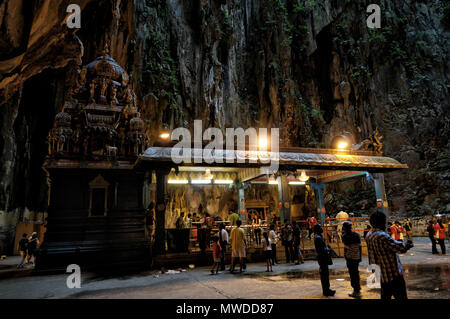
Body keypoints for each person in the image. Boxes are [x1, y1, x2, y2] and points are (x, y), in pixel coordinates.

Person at [366, 211, 413, 300]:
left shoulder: (369, 235)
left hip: (383, 275)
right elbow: (400, 249)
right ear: (382, 223)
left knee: (385, 296)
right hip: (393, 274)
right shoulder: (382, 236)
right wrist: (407, 243)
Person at [314, 224, 335, 297]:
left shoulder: (318, 237)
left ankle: (327, 289)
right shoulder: (318, 238)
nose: (321, 228)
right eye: (320, 227)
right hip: (323, 258)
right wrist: (328, 250)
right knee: (325, 274)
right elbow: (321, 249)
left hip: (322, 258)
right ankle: (326, 290)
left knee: (325, 274)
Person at [342, 221, 362, 298]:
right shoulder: (356, 235)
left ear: (344, 228)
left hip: (349, 258)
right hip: (356, 257)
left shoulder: (344, 236)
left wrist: (345, 256)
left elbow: (346, 248)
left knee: (352, 274)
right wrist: (360, 257)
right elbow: (359, 247)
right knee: (356, 273)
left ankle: (356, 291)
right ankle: (357, 289)